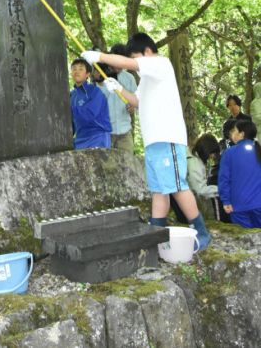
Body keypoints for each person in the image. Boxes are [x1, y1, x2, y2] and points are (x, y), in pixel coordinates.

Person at [81, 32, 211, 249]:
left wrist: (100, 57)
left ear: (147, 51)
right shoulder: (147, 79)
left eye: (137, 58)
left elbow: (128, 62)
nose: (136, 64)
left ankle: (201, 231)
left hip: (167, 137)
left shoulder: (161, 64)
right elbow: (136, 101)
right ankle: (156, 235)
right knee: (159, 189)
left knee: (177, 186)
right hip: (153, 142)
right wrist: (119, 88)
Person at [218, 119, 261, 228]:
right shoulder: (258, 150)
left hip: (238, 206)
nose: (232, 133)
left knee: (245, 240)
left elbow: (224, 180)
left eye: (234, 131)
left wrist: (226, 201)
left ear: (242, 134)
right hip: (258, 204)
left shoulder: (229, 153)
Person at [70, 58, 111, 149]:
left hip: (97, 137)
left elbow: (89, 114)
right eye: (74, 69)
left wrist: (68, 109)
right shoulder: (71, 95)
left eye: (81, 69)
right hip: (79, 139)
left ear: (87, 74)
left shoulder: (95, 91)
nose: (77, 71)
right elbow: (70, 123)